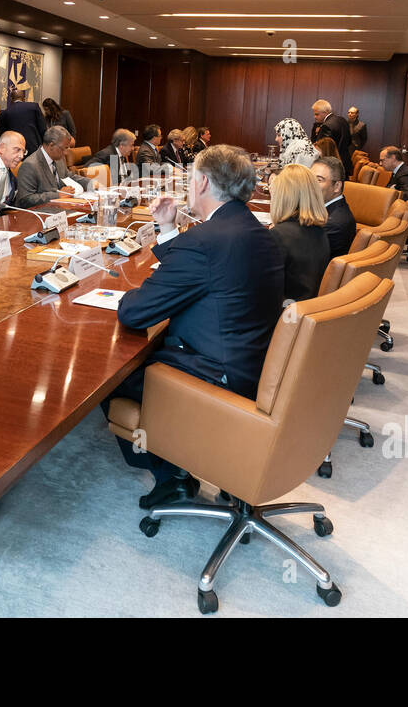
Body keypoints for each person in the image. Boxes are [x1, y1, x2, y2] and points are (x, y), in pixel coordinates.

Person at [110, 145, 285, 506]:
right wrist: (168, 228)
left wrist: (122, 293)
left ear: (203, 183)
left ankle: (170, 473)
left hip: (214, 374)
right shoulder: (258, 232)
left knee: (111, 372)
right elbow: (206, 274)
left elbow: (134, 313)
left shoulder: (205, 242)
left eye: (190, 179)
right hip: (253, 366)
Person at [269, 163, 331, 304]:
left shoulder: (278, 236)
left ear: (283, 196)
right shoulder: (320, 231)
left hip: (283, 317)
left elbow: (263, 289)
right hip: (303, 311)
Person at [15, 125, 91, 206]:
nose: (65, 153)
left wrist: (90, 183)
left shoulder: (59, 159)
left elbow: (68, 176)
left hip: (61, 208)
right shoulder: (30, 165)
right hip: (40, 213)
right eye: (64, 148)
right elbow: (25, 199)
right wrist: (58, 195)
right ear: (51, 145)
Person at [311, 156, 356, 258]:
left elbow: (304, 256)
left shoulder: (334, 224)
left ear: (337, 186)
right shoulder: (329, 208)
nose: (311, 185)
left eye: (318, 180)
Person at [0, 82, 47, 152]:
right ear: (24, 98)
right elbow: (42, 127)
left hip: (14, 147)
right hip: (33, 146)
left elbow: (3, 133)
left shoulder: (5, 112)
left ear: (11, 99)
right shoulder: (34, 107)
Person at [310, 99, 353, 176]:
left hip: (333, 166)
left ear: (325, 112)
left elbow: (324, 149)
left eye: (317, 114)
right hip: (346, 163)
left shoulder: (326, 126)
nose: (315, 117)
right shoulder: (342, 120)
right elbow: (349, 141)